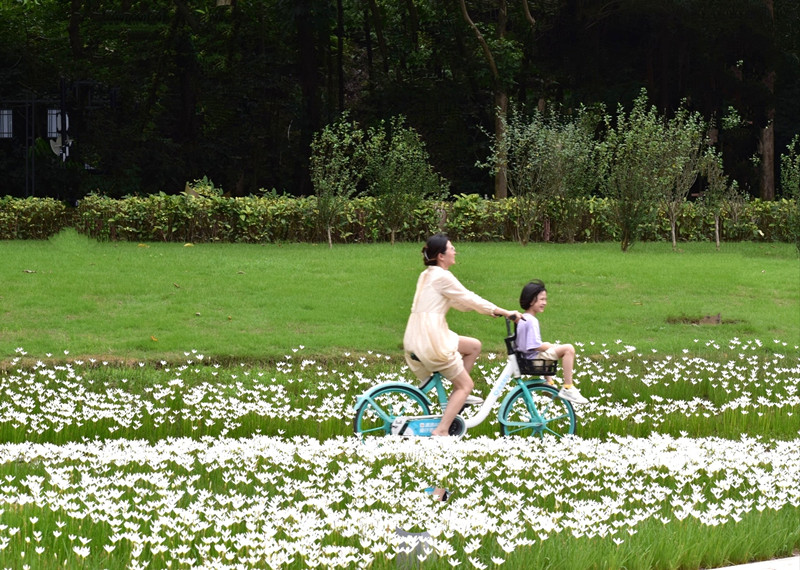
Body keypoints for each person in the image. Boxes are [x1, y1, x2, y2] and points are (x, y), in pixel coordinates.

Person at [403, 233, 521, 436]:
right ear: (441, 256)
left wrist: (486, 310)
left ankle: (459, 397)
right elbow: (468, 297)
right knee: (466, 385)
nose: (454, 250)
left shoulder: (427, 274)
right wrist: (500, 311)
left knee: (474, 346)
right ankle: (441, 430)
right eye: (451, 248)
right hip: (432, 338)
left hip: (416, 336)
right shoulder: (442, 276)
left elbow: (459, 301)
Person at [516, 280, 589, 405]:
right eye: (541, 299)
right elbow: (535, 346)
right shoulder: (532, 321)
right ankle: (568, 387)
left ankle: (549, 383)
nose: (544, 303)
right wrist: (552, 346)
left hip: (525, 358)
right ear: (531, 300)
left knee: (548, 350)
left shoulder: (522, 318)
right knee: (568, 349)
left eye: (545, 299)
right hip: (534, 360)